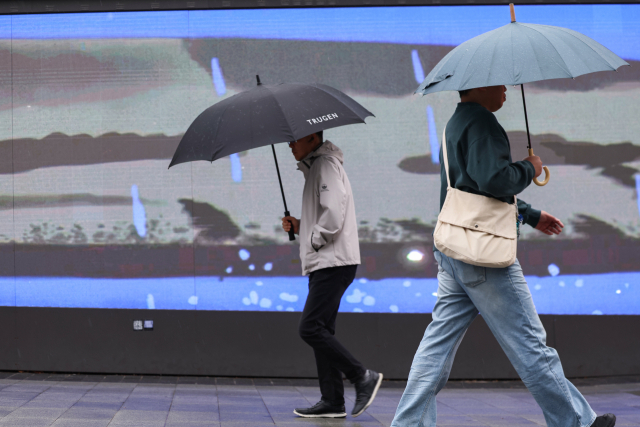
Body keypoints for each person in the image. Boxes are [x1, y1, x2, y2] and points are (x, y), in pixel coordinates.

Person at [390, 86, 616, 427]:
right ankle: (576, 422)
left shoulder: (456, 122)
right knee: (529, 343)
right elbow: (495, 180)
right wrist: (530, 167)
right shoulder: (483, 123)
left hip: (455, 248)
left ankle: (408, 424)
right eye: (501, 84)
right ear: (480, 86)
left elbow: (471, 189)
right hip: (485, 255)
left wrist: (529, 213)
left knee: (436, 347)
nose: (507, 91)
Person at [282, 131, 383, 419]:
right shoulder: (318, 167)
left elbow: (334, 216)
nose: (290, 145)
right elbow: (327, 214)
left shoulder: (325, 164)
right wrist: (301, 226)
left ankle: (362, 376)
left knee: (310, 328)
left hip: (332, 261)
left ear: (313, 138)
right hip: (327, 260)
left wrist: (313, 238)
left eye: (295, 139)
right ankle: (332, 401)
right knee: (321, 330)